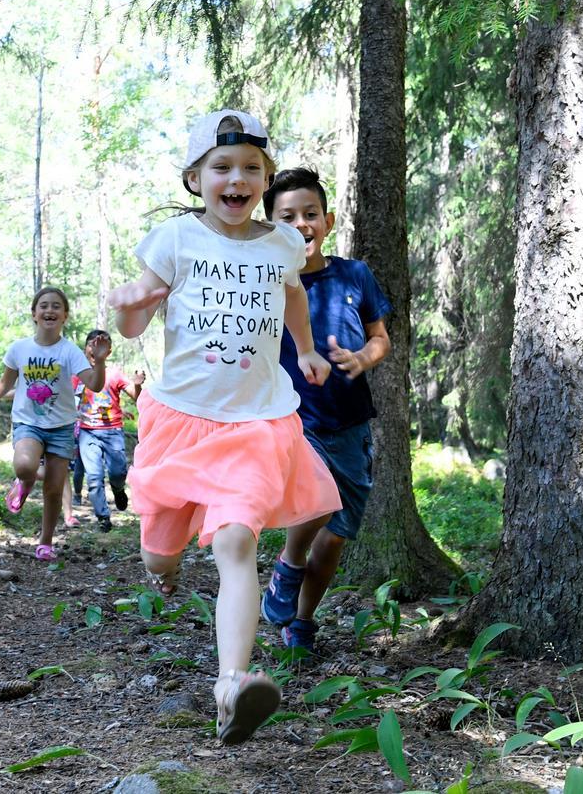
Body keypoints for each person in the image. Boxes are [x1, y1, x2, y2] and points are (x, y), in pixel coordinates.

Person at [108, 109, 342, 745]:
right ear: (195, 177)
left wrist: (309, 348)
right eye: (221, 168)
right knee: (159, 552)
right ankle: (165, 565)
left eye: (250, 169)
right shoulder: (174, 241)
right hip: (181, 418)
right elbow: (138, 319)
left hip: (256, 422)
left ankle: (232, 684)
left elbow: (292, 293)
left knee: (237, 542)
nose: (236, 180)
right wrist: (129, 309)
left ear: (264, 177)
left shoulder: (282, 244)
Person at [261, 167, 391, 651]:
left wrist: (363, 358)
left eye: (310, 214)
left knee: (336, 535)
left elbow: (382, 340)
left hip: (351, 422)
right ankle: (288, 564)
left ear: (328, 220)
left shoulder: (354, 275)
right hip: (297, 419)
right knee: (317, 499)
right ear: (272, 226)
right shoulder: (269, 283)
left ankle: (301, 621)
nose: (301, 224)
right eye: (287, 216)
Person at [0, 286, 109, 559]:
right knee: (25, 465)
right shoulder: (19, 348)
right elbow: (4, 384)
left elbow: (95, 384)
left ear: (65, 315)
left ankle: (46, 542)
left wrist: (99, 362)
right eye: (44, 305)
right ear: (34, 314)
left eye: (56, 306)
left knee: (54, 489)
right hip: (29, 423)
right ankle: (25, 482)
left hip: (62, 427)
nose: (49, 310)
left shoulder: (70, 351)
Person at [72, 330, 146, 533]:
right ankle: (103, 517)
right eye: (91, 344)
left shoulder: (114, 374)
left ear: (109, 350)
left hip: (112, 431)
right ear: (85, 349)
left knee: (117, 473)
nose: (95, 348)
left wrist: (138, 385)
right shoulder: (78, 375)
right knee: (94, 478)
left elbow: (135, 396)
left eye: (101, 345)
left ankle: (118, 488)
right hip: (88, 432)